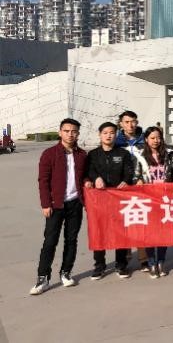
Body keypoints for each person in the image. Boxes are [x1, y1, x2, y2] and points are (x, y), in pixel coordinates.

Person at [30, 118, 88, 295]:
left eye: (74, 131)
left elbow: (85, 176)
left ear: (78, 134)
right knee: (50, 241)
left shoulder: (82, 155)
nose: (70, 134)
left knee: (71, 240)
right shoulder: (49, 154)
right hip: (55, 205)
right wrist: (46, 203)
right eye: (66, 131)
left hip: (75, 204)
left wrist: (88, 182)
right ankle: (43, 278)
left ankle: (65, 272)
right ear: (60, 132)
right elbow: (43, 181)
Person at [87, 122, 135, 279]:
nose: (108, 135)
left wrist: (126, 181)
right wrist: (95, 178)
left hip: (119, 199)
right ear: (100, 135)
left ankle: (121, 265)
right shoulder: (93, 155)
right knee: (99, 232)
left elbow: (129, 171)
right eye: (105, 133)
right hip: (99, 200)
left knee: (120, 232)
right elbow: (88, 171)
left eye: (112, 133)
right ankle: (99, 266)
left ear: (116, 135)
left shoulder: (123, 154)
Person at [133, 126, 173, 279]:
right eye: (152, 138)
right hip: (148, 200)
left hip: (164, 200)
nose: (156, 141)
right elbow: (136, 176)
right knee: (149, 234)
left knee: (164, 233)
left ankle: (161, 262)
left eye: (158, 137)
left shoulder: (169, 155)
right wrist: (138, 181)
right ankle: (151, 262)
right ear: (146, 139)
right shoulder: (141, 157)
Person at [115, 109, 148, 270]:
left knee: (141, 221)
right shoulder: (116, 142)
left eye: (133, 121)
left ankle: (144, 258)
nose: (130, 125)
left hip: (142, 187)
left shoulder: (144, 140)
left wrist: (143, 178)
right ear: (121, 124)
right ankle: (124, 258)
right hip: (122, 189)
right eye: (127, 122)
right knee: (124, 224)